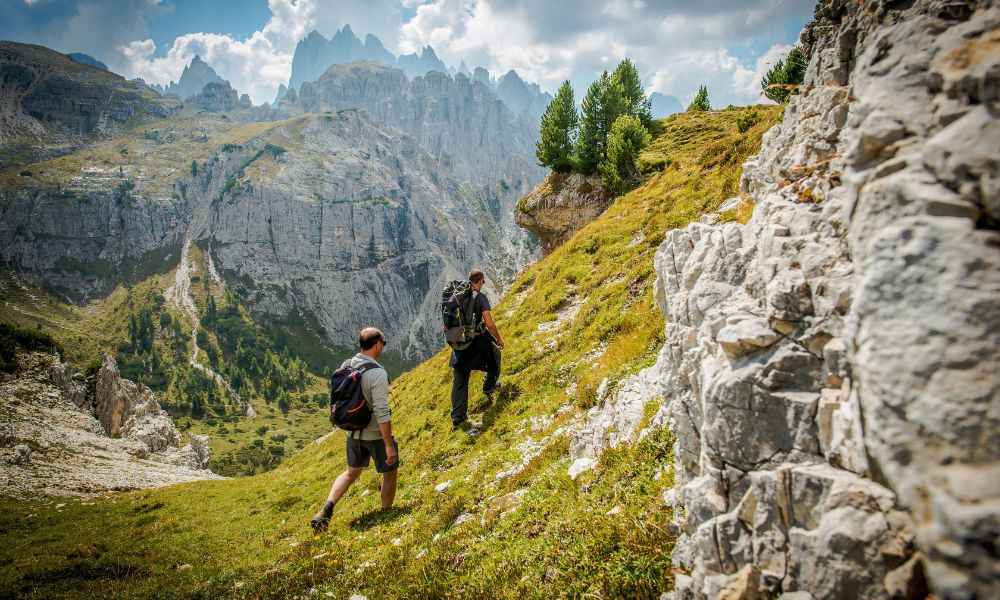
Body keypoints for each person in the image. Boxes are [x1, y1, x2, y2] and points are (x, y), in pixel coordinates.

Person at [311, 327, 398, 533]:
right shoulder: (377, 373)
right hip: (374, 434)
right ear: (377, 344)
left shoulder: (347, 365)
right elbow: (382, 411)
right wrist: (388, 444)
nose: (383, 347)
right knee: (390, 471)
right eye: (383, 343)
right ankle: (386, 512)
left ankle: (327, 509)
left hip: (352, 432)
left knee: (351, 472)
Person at [449, 269, 505, 431]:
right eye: (483, 282)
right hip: (477, 341)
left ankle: (458, 419)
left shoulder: (457, 296)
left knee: (460, 379)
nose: (483, 284)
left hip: (459, 342)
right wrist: (499, 339)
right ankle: (489, 386)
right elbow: (489, 323)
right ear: (479, 281)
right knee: (495, 356)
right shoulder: (480, 298)